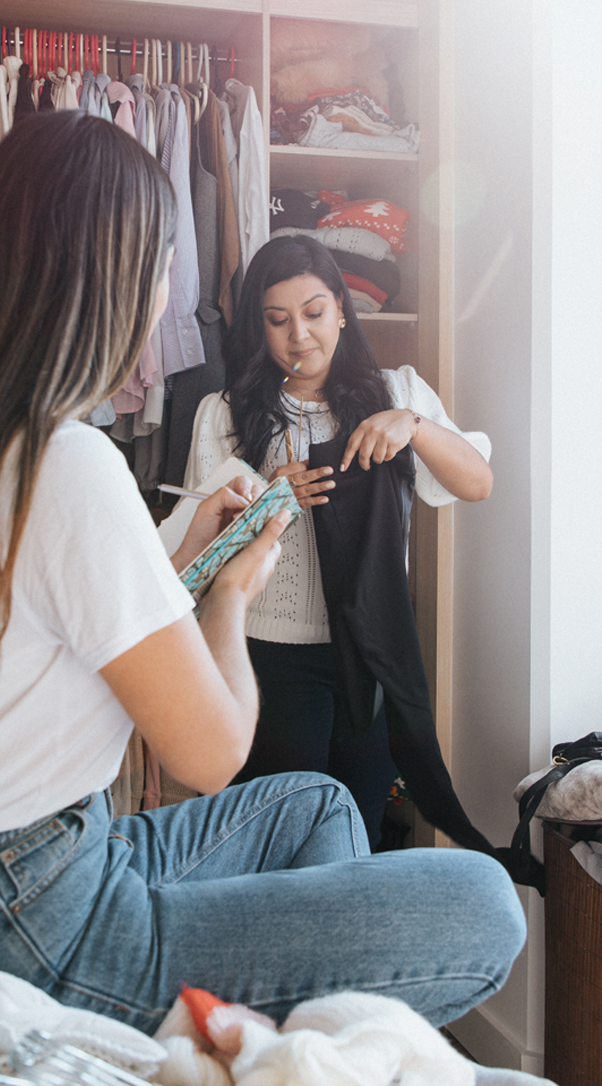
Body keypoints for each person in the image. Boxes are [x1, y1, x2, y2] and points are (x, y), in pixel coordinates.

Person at [0, 112, 523, 1036]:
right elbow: (212, 752)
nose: (163, 298)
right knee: (482, 904)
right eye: (160, 268)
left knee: (313, 804)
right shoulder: (67, 461)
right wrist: (229, 592)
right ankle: (302, 1043)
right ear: (110, 279)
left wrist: (192, 551)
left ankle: (288, 1039)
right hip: (10, 908)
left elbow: (58, 609)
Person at [162, 234, 493, 849]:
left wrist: (414, 427)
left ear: (342, 307)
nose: (300, 336)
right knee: (280, 842)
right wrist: (265, 494)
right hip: (268, 658)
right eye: (278, 320)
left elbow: (476, 483)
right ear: (258, 327)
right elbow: (192, 565)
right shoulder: (224, 413)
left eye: (314, 313)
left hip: (369, 654)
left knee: (356, 836)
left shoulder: (395, 393)